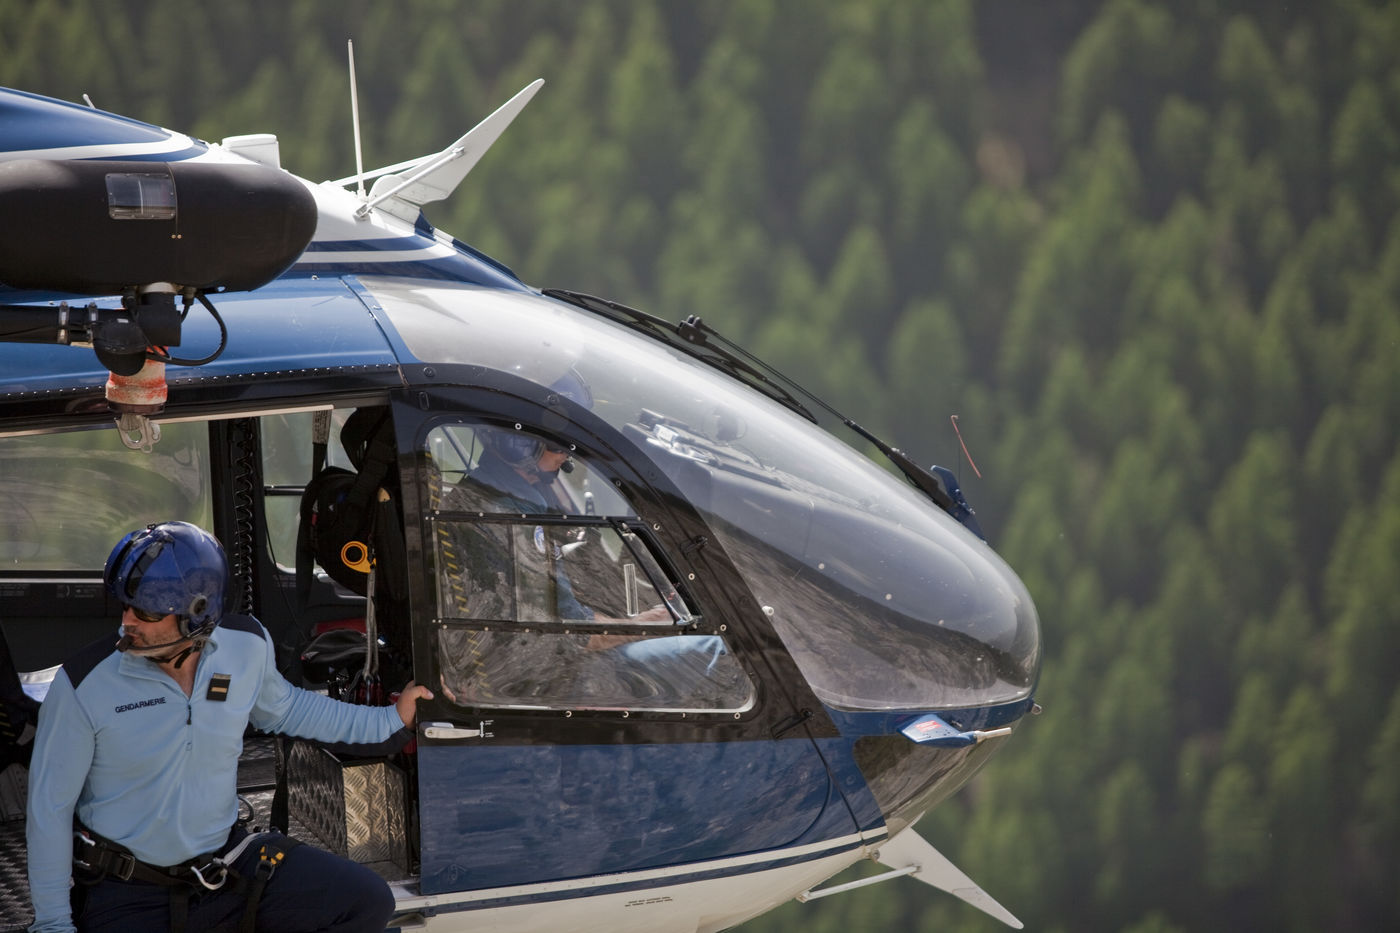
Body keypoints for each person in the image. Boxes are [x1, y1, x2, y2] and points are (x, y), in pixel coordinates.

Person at [25, 521, 433, 933]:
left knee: (367, 901)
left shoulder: (246, 644)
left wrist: (390, 719)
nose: (128, 621)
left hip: (225, 868)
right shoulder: (83, 684)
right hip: (129, 891)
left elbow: (288, 708)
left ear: (197, 612)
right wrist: (54, 925)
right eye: (126, 606)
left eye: (147, 611)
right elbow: (49, 810)